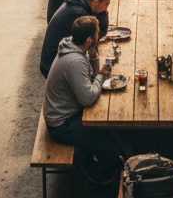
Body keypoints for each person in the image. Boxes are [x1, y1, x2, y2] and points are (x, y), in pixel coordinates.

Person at [43, 16, 122, 184]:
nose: (99, 37)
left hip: (62, 112)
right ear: (88, 39)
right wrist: (101, 76)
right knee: (113, 149)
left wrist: (94, 67)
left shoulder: (71, 46)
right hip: (62, 125)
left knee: (111, 131)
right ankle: (97, 173)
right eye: (97, 34)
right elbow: (87, 98)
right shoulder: (75, 62)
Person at [40, 0, 113, 77]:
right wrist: (103, 13)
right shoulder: (78, 14)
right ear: (96, 1)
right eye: (106, 4)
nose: (106, 7)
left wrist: (102, 10)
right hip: (52, 63)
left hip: (63, 55)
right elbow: (91, 41)